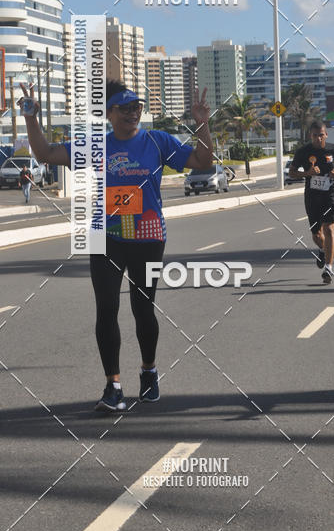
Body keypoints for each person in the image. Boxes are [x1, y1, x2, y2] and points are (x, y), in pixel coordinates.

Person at [19, 79, 213, 412]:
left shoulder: (157, 140)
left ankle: (149, 372)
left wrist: (203, 124)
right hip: (105, 235)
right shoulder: (97, 144)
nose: (132, 113)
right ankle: (113, 386)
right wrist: (32, 118)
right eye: (124, 108)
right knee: (106, 309)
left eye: (137, 107)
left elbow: (203, 162)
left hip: (148, 236)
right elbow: (45, 153)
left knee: (143, 308)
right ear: (108, 113)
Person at [289, 120, 334, 284]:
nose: (318, 138)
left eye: (321, 135)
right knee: (316, 234)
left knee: (328, 229)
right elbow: (291, 173)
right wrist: (307, 173)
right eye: (315, 136)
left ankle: (329, 268)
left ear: (326, 134)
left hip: (330, 193)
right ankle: (322, 250)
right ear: (310, 136)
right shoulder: (303, 151)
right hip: (312, 196)